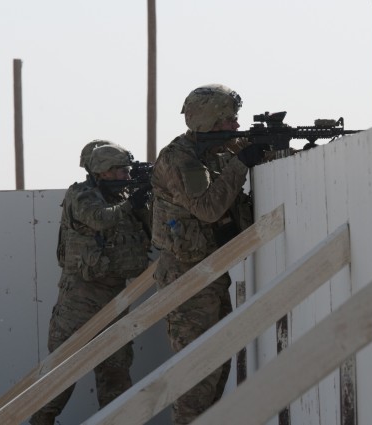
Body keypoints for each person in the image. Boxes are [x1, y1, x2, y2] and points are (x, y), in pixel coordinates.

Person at [150, 84, 266, 424]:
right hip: (186, 279)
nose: (234, 125)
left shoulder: (216, 152)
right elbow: (208, 208)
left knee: (217, 370)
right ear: (207, 120)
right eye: (228, 118)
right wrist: (242, 163)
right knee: (197, 380)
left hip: (210, 274)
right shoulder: (179, 157)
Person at [30, 143, 152, 425]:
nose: (126, 176)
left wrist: (145, 198)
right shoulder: (81, 195)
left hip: (115, 295)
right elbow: (99, 218)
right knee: (62, 372)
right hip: (80, 299)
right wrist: (131, 202)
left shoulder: (123, 195)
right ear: (103, 172)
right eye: (121, 171)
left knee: (116, 369)